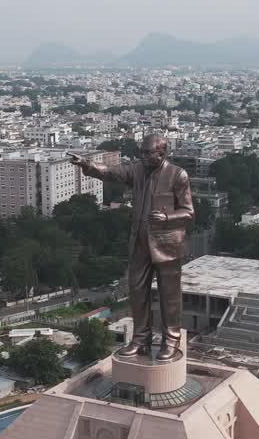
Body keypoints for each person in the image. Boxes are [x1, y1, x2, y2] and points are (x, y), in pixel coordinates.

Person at [69, 133, 193, 360]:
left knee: (169, 295)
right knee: (137, 292)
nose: (143, 157)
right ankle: (141, 339)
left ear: (161, 153)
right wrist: (86, 164)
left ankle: (171, 340)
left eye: (148, 153)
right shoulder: (137, 170)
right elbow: (110, 172)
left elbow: (188, 211)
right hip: (139, 242)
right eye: (142, 152)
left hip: (167, 244)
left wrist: (166, 218)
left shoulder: (177, 175)